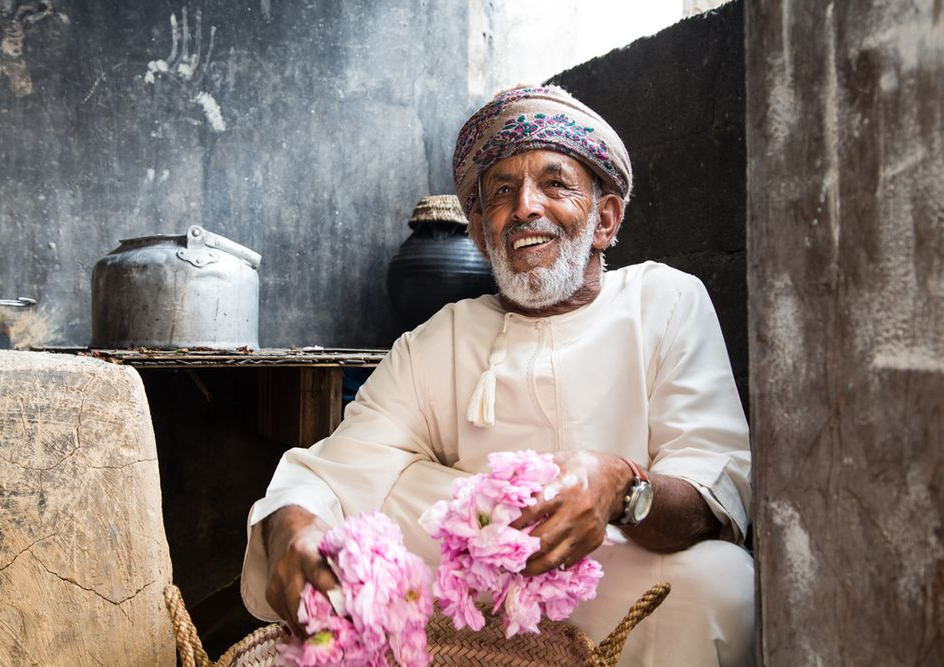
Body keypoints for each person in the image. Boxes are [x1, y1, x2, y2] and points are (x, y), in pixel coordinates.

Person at [240, 86, 754, 666]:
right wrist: (292, 531)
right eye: (502, 193)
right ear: (483, 232)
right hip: (468, 602)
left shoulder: (665, 301)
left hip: (611, 579)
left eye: (554, 184)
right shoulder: (442, 338)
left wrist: (617, 484)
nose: (526, 208)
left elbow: (714, 489)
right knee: (383, 496)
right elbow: (336, 470)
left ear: (605, 220)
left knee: (720, 582)